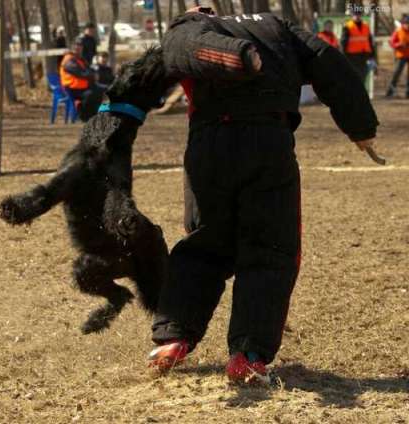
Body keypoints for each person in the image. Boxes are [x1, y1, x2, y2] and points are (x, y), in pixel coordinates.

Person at [147, 7, 379, 383]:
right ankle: (249, 355)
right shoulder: (276, 25)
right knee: (271, 250)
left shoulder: (189, 26)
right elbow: (327, 62)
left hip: (210, 144)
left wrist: (234, 58)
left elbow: (180, 50)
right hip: (270, 140)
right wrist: (360, 126)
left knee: (204, 244)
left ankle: (173, 337)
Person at [59, 37, 102, 121]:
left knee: (100, 91)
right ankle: (83, 115)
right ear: (72, 47)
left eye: (80, 45)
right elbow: (80, 73)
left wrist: (94, 73)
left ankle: (93, 115)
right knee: (91, 94)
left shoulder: (79, 59)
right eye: (76, 45)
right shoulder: (68, 59)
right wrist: (93, 75)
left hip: (81, 87)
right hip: (71, 88)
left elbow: (88, 70)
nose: (78, 47)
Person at [340, 10, 376, 83]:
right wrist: (343, 56)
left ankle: (359, 93)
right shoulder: (347, 27)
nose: (357, 16)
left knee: (363, 76)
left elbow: (370, 42)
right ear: (352, 16)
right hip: (351, 56)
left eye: (359, 15)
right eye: (355, 15)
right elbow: (343, 42)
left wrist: (372, 56)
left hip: (364, 56)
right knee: (353, 77)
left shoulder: (366, 26)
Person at [385, 15, 409, 98]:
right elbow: (391, 42)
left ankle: (408, 93)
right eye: (406, 24)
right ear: (403, 24)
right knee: (396, 74)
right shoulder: (398, 31)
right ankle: (390, 91)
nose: (408, 25)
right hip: (401, 56)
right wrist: (399, 45)